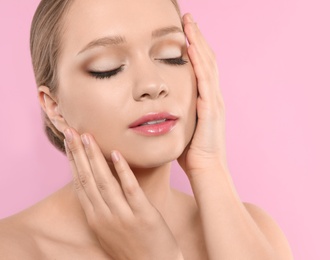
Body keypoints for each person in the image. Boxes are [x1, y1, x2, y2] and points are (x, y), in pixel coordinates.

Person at [0, 0, 293, 259]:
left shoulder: (259, 234)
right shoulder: (13, 249)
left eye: (170, 56)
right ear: (53, 106)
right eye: (108, 67)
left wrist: (210, 166)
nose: (152, 85)